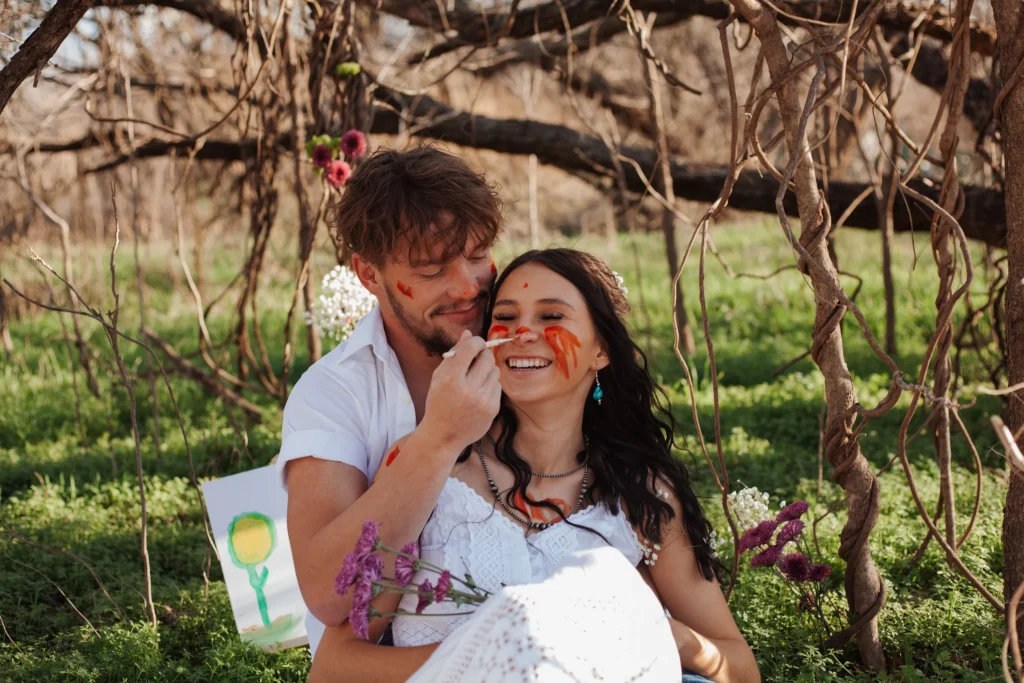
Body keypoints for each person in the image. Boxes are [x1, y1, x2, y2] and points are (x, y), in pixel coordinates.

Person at [309, 249, 760, 683]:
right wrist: (490, 657)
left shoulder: (641, 495)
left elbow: (739, 668)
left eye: (551, 316)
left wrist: (652, 630)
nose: (522, 331)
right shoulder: (431, 464)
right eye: (504, 317)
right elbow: (334, 667)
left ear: (600, 350)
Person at [277, 144, 509, 657]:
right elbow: (329, 595)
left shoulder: (523, 348)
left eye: (477, 255)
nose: (468, 286)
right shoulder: (331, 393)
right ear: (369, 275)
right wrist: (440, 438)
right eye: (431, 270)